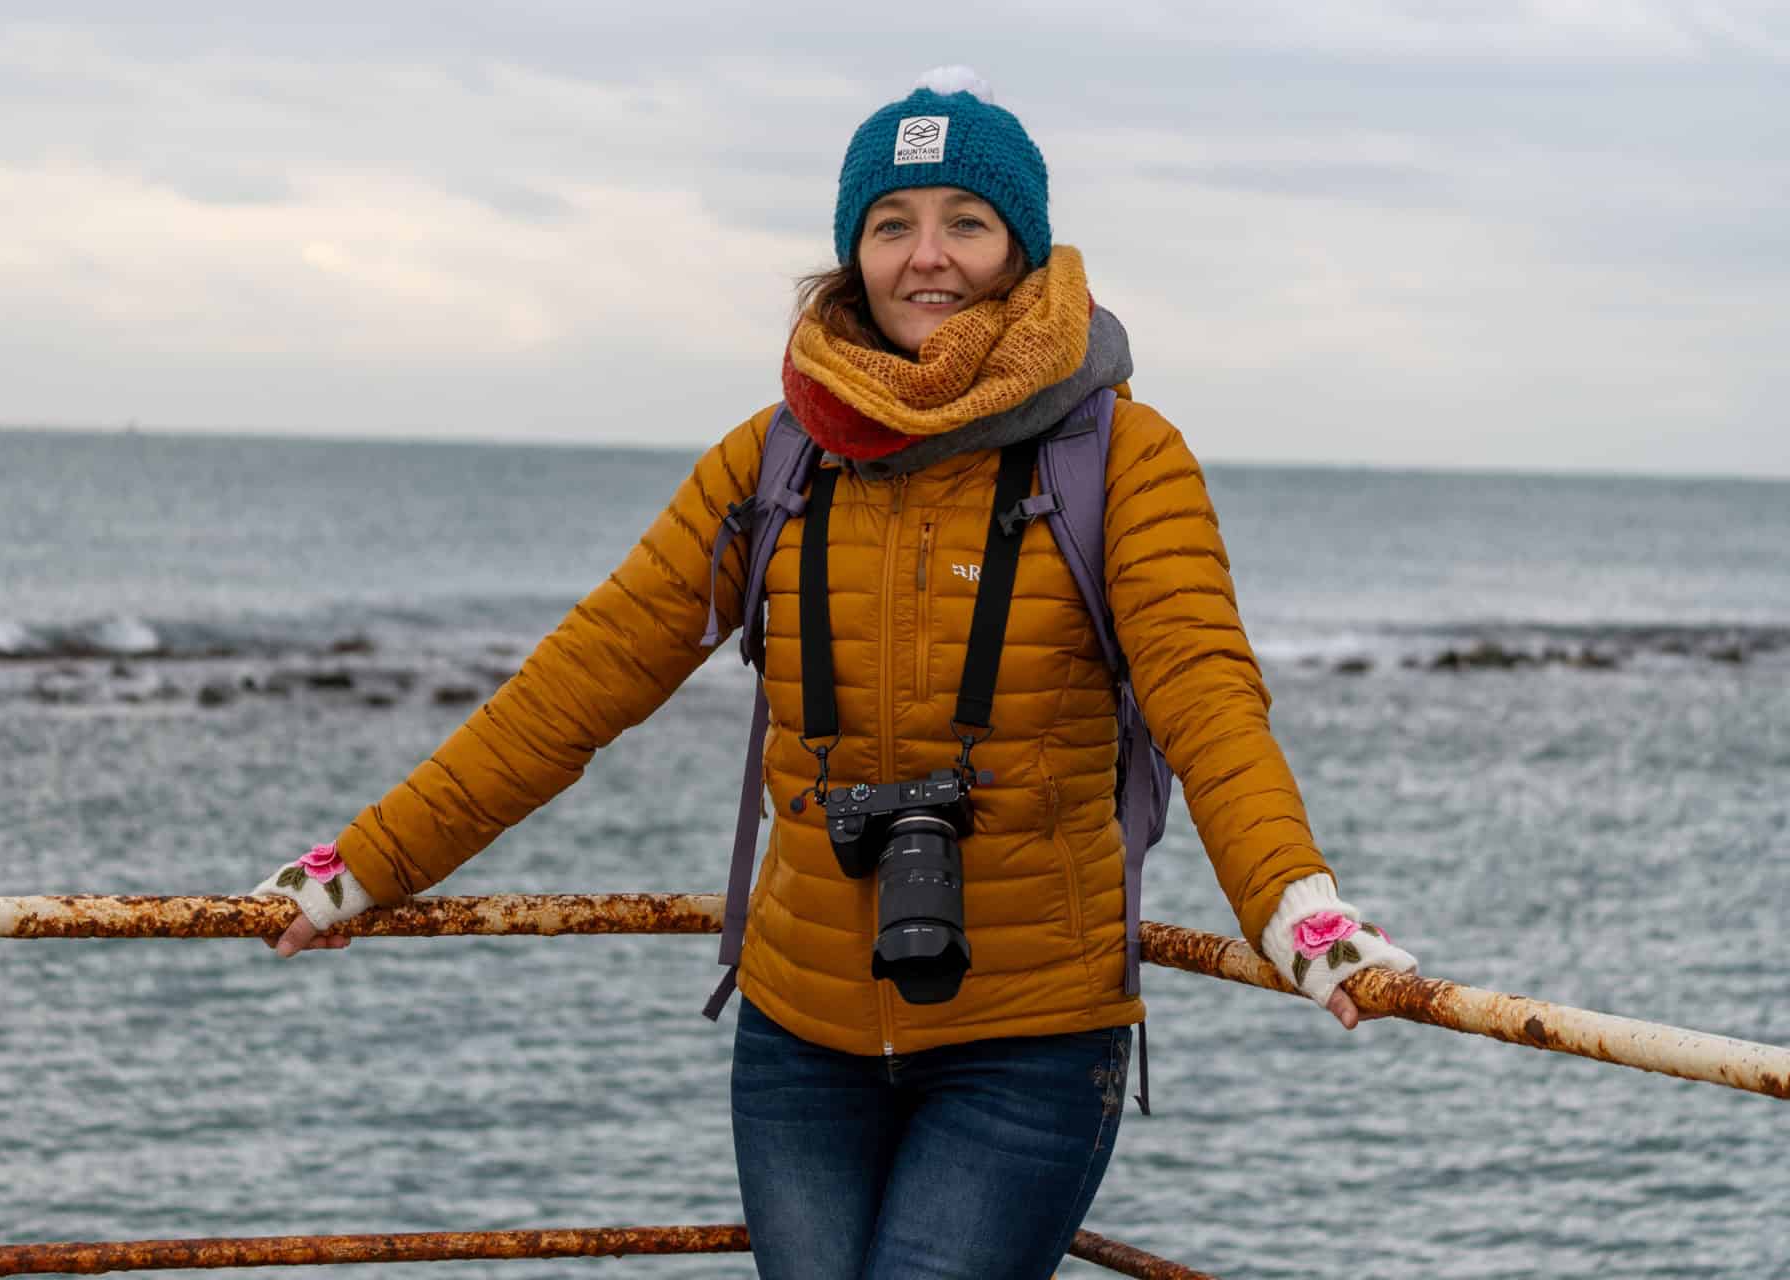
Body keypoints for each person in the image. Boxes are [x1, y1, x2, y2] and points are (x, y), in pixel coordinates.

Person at [251, 67, 1419, 1280]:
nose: (928, 255)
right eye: (891, 223)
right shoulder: (776, 458)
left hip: (1026, 1032)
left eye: (966, 221)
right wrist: (370, 864)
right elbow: (585, 677)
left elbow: (1205, 693)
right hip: (800, 1034)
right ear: (853, 251)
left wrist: (1296, 910)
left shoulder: (1122, 456)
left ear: (1023, 248)